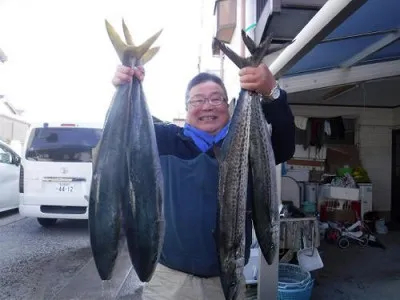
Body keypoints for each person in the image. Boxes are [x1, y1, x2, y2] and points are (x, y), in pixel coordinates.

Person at [112, 63, 295, 300]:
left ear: (228, 105)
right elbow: (122, 129)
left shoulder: (248, 147)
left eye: (216, 99)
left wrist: (272, 93)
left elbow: (285, 144)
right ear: (186, 107)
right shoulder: (163, 139)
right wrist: (124, 88)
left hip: (225, 278)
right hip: (169, 282)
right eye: (197, 100)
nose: (207, 106)